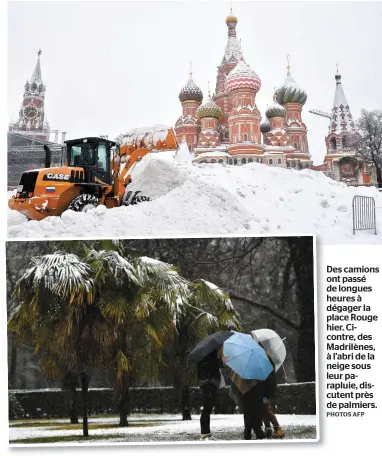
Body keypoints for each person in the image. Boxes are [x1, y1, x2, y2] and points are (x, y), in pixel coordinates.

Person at [196, 349, 223, 440]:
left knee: (207, 408)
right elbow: (216, 367)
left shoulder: (200, 358)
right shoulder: (211, 357)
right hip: (210, 382)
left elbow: (199, 372)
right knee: (207, 407)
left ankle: (205, 431)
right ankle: (204, 432)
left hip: (205, 382)